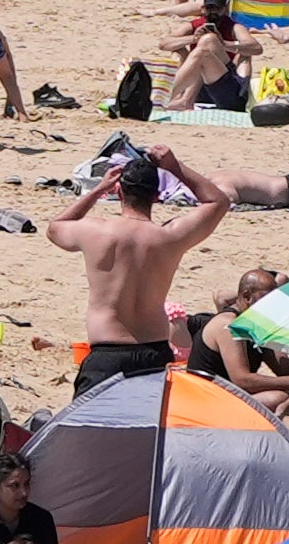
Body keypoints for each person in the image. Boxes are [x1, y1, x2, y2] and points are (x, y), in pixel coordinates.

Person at [50, 145, 234, 388]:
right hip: (154, 352)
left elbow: (56, 227)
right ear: (157, 196)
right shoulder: (170, 237)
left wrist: (97, 191)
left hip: (107, 350)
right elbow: (218, 201)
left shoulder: (96, 231)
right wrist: (174, 167)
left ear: (119, 192)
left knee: (90, 424)